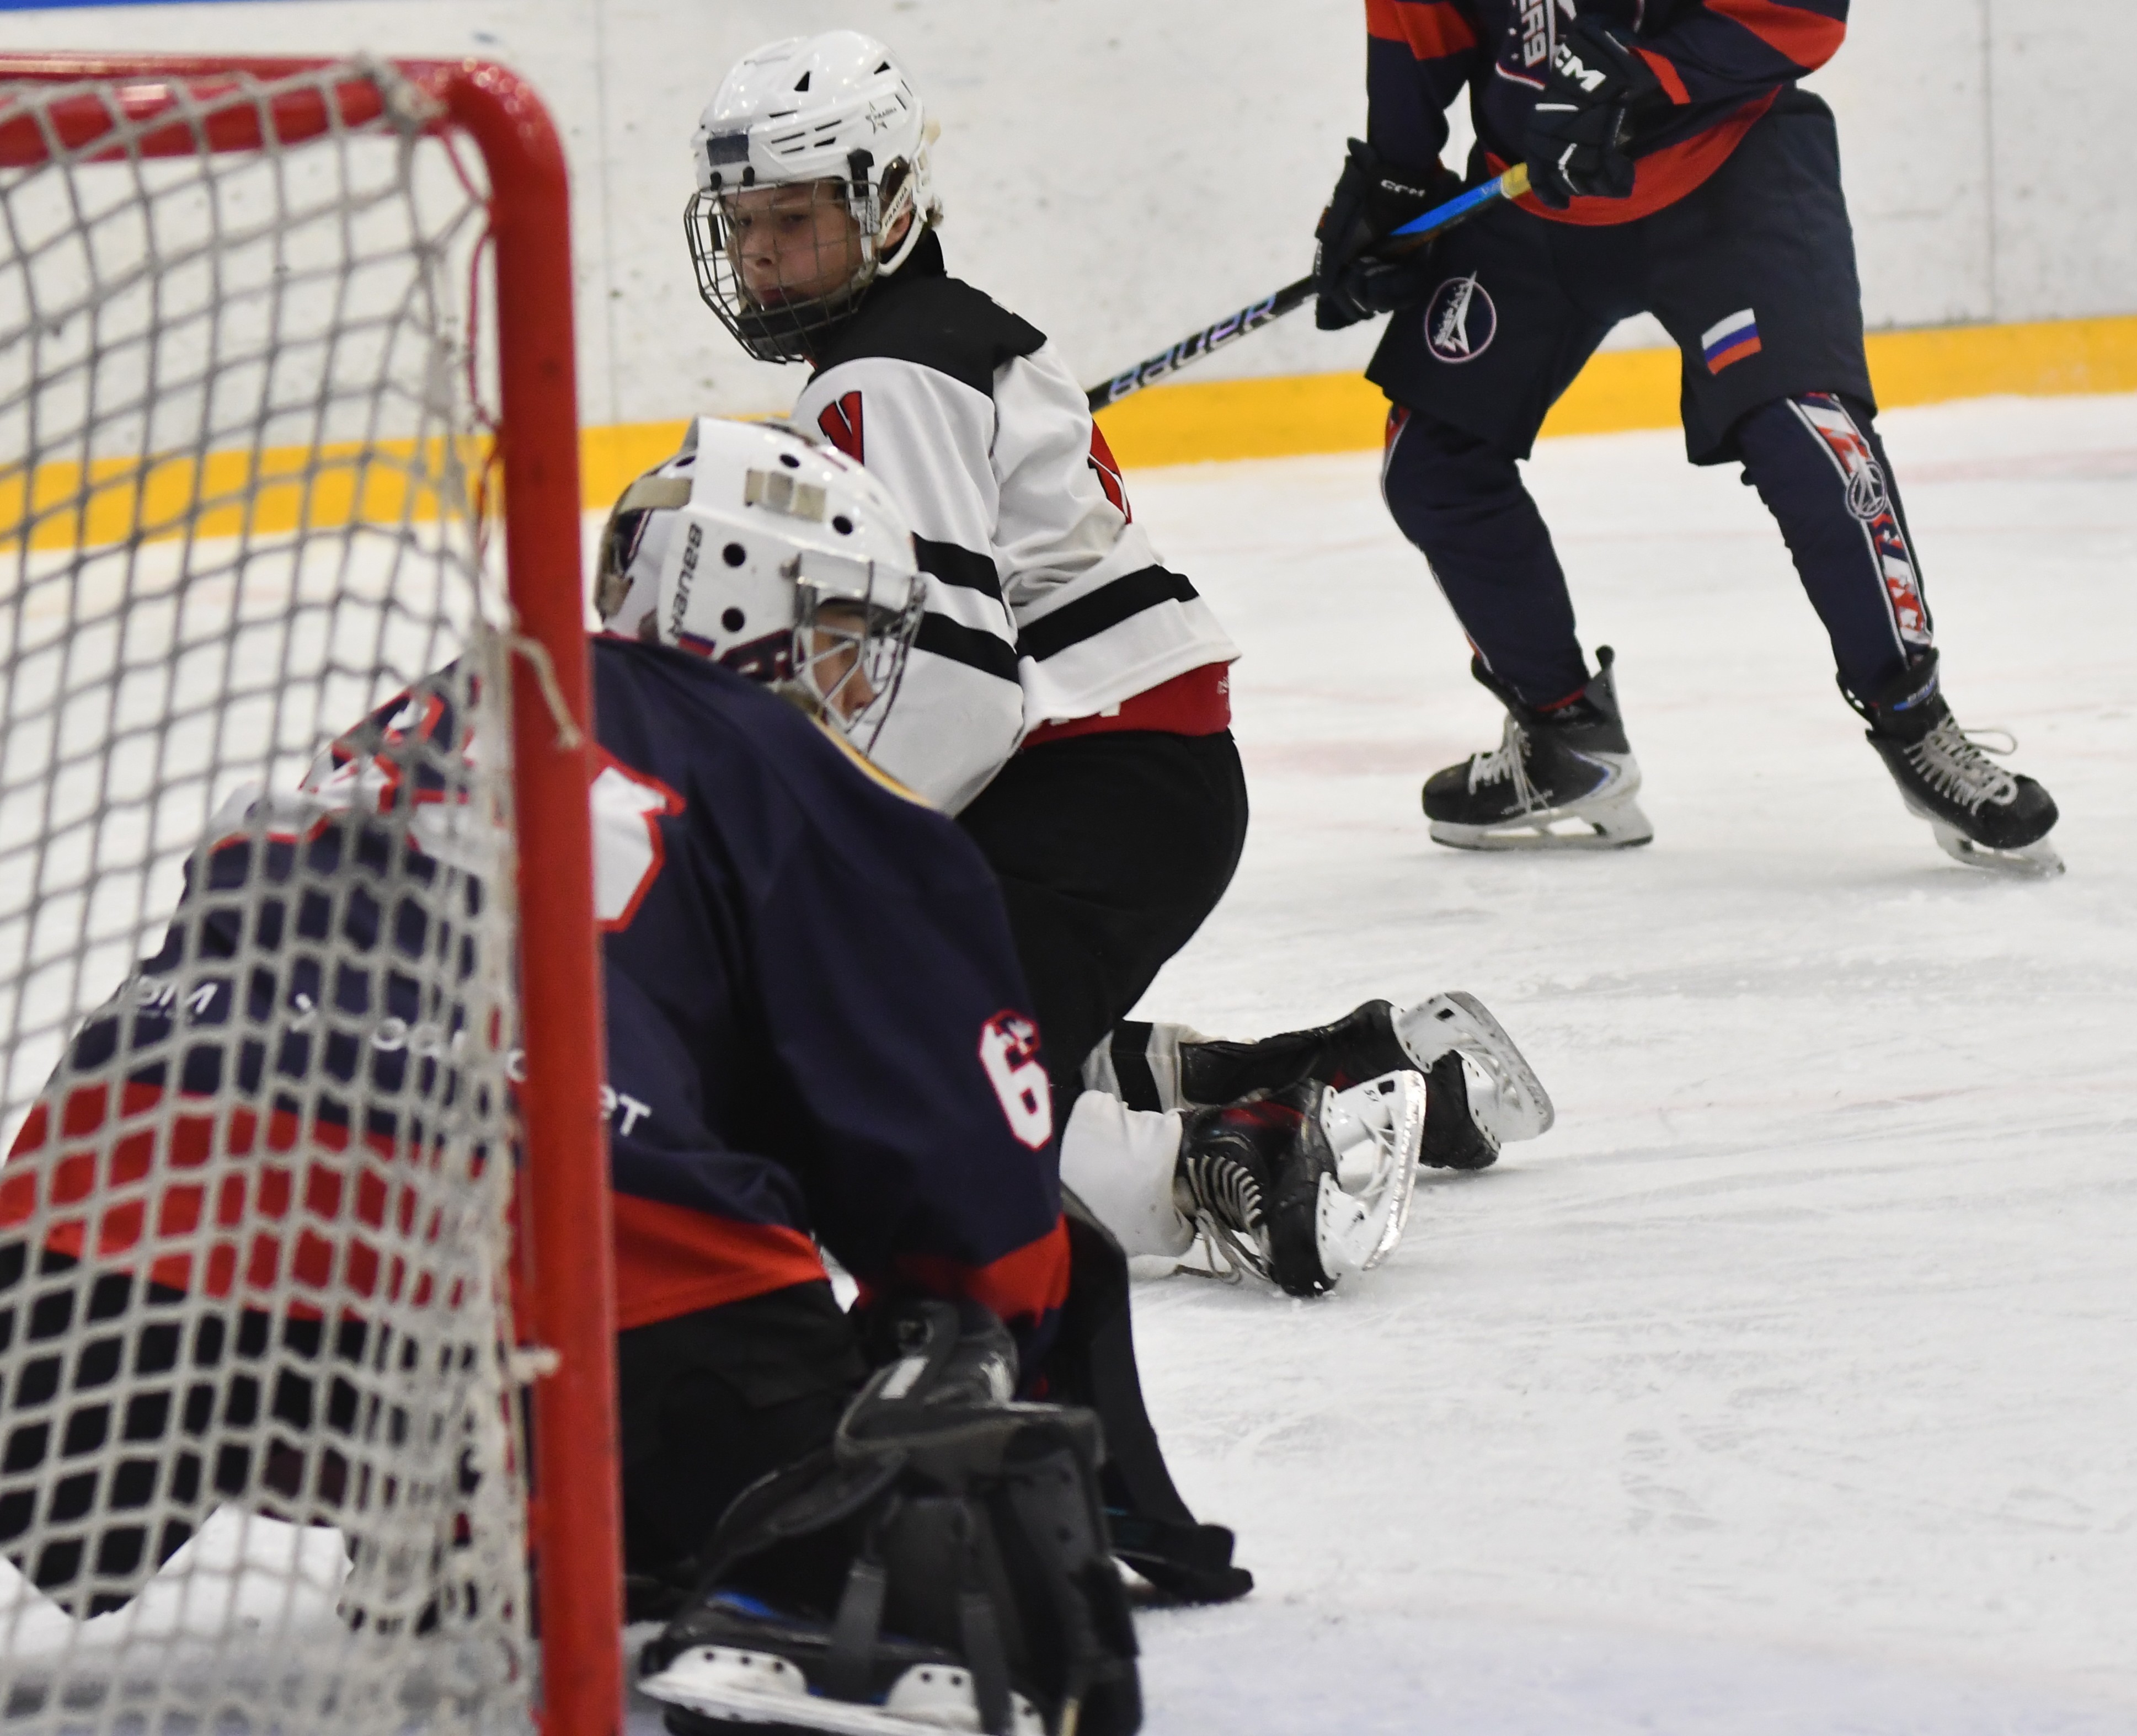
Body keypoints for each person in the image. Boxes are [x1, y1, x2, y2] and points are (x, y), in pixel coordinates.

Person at [0, 423, 1142, 1736]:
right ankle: (782, 1600)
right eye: (834, 629)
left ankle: (456, 1498)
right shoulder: (789, 767)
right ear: (745, 595)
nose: (845, 674)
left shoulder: (429, 704)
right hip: (548, 1212)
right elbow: (955, 1156)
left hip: (125, 1204)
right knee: (916, 1500)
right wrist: (976, 1329)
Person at [675, 31, 1558, 1295]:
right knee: (983, 1036)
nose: (761, 251)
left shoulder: (875, 377)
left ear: (887, 202)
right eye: (745, 221)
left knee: (878, 1077)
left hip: (1085, 788)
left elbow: (960, 682)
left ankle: (1222, 1168)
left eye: (796, 216)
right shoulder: (946, 343)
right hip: (1148, 778)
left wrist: (822, 853)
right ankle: (1374, 1072)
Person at [1313, 0, 2061, 876]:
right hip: (1537, 187)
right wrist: (1396, 180)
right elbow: (1420, 22)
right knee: (1431, 463)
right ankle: (1566, 742)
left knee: (1808, 440)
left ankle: (1914, 722)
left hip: (1730, 168)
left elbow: (1801, 12)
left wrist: (1642, 78)